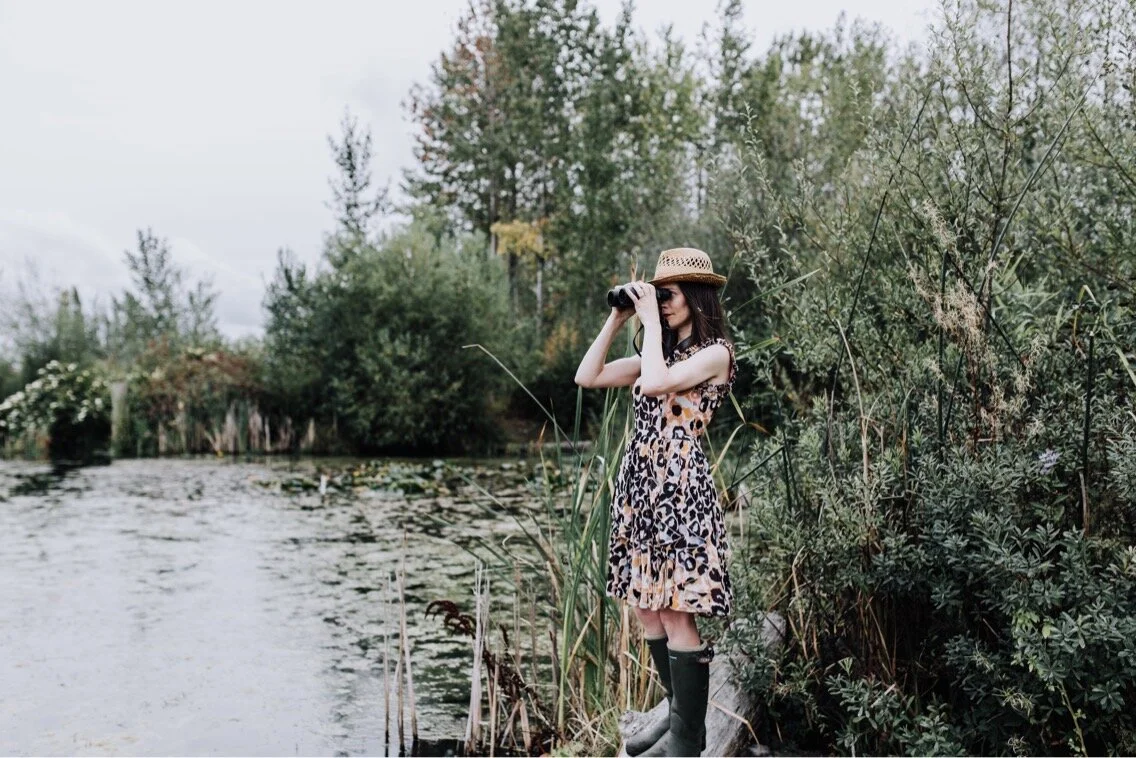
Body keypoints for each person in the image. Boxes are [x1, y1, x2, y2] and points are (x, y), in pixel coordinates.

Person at [574, 247, 735, 757]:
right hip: (640, 486)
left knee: (676, 611)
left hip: (680, 489)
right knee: (645, 606)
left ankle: (689, 737)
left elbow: (659, 382)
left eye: (668, 294)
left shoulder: (717, 352)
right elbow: (588, 375)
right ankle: (675, 709)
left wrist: (648, 320)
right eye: (657, 294)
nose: (662, 303)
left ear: (696, 295)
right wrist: (619, 316)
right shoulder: (656, 352)